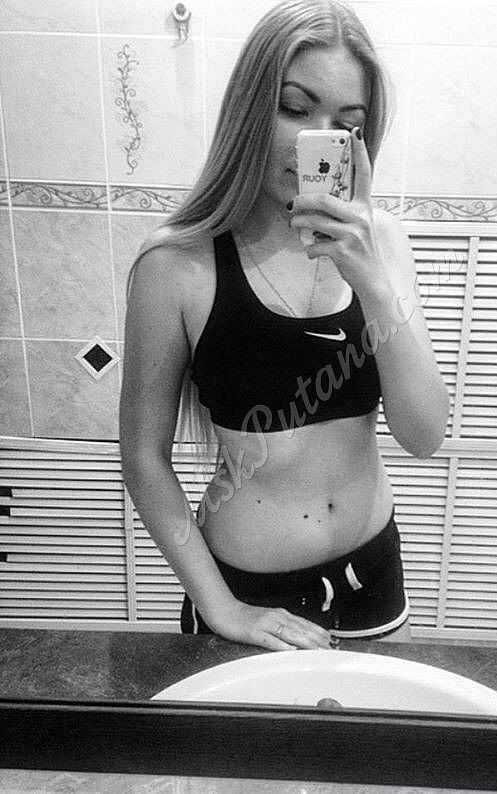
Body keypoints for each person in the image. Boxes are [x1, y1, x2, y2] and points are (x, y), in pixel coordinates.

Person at [119, 0, 449, 651]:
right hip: (245, 591)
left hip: (373, 576)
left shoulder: (383, 242)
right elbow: (143, 456)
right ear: (249, 109)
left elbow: (424, 434)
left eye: (345, 124)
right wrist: (220, 606)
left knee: (372, 725)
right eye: (295, 109)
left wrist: (370, 279)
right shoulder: (176, 265)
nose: (313, 141)